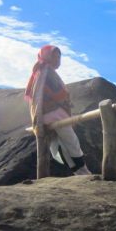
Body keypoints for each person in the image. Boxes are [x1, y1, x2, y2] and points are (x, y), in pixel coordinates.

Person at [25, 45, 92, 175]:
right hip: (53, 114)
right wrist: (64, 97)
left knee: (61, 145)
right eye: (55, 56)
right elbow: (55, 94)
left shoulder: (41, 71)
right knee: (72, 142)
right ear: (48, 57)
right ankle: (83, 171)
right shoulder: (46, 72)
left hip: (46, 114)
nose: (58, 59)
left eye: (59, 56)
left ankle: (79, 172)